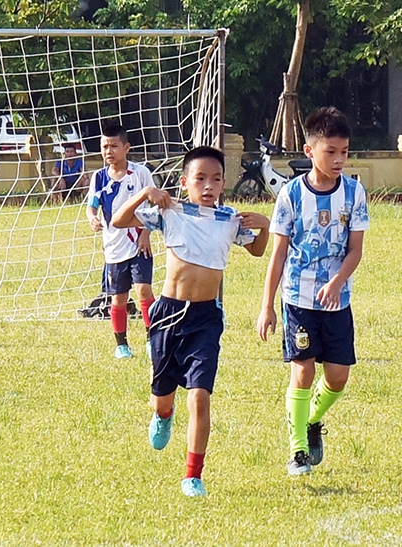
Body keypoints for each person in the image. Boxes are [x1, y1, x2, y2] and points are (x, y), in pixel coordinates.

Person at [112, 146, 269, 497]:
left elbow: (257, 250)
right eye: (200, 179)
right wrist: (144, 193)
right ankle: (163, 416)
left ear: (224, 183)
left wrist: (265, 227)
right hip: (168, 315)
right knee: (162, 400)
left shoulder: (229, 220)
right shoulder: (170, 212)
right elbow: (119, 221)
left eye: (216, 179)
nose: (208, 185)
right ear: (185, 183)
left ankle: (193, 474)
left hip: (206, 319)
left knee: (199, 397)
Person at [257, 107, 369, 476]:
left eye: (345, 152)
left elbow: (356, 249)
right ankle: (298, 451)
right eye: (330, 151)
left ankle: (311, 419)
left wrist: (337, 281)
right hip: (298, 299)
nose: (338, 160)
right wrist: (267, 306)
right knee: (302, 372)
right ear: (310, 151)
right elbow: (278, 254)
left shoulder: (354, 192)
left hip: (339, 301)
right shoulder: (289, 196)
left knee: (338, 376)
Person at [86, 124, 156, 359]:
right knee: (118, 297)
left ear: (126, 148)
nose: (109, 151)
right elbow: (91, 206)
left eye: (114, 146)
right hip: (113, 247)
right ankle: (121, 345)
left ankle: (151, 338)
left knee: (144, 290)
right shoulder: (98, 177)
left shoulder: (141, 173)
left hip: (139, 244)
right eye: (105, 146)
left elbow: (154, 204)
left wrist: (146, 231)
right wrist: (92, 219)